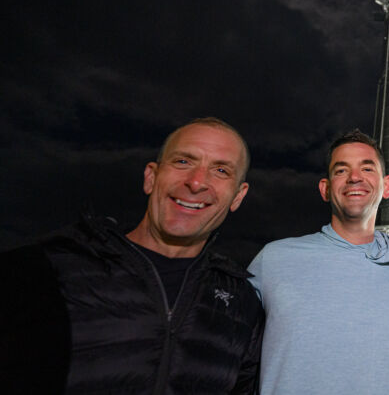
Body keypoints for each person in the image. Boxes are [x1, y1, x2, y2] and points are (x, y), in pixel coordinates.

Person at [0, 117, 265, 394]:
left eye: (221, 170)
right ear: (151, 177)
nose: (197, 182)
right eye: (183, 162)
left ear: (238, 196)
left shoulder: (242, 304)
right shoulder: (44, 270)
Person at [248, 129, 389, 395]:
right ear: (325, 189)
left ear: (387, 186)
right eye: (341, 170)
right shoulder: (274, 260)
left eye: (367, 168)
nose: (354, 177)